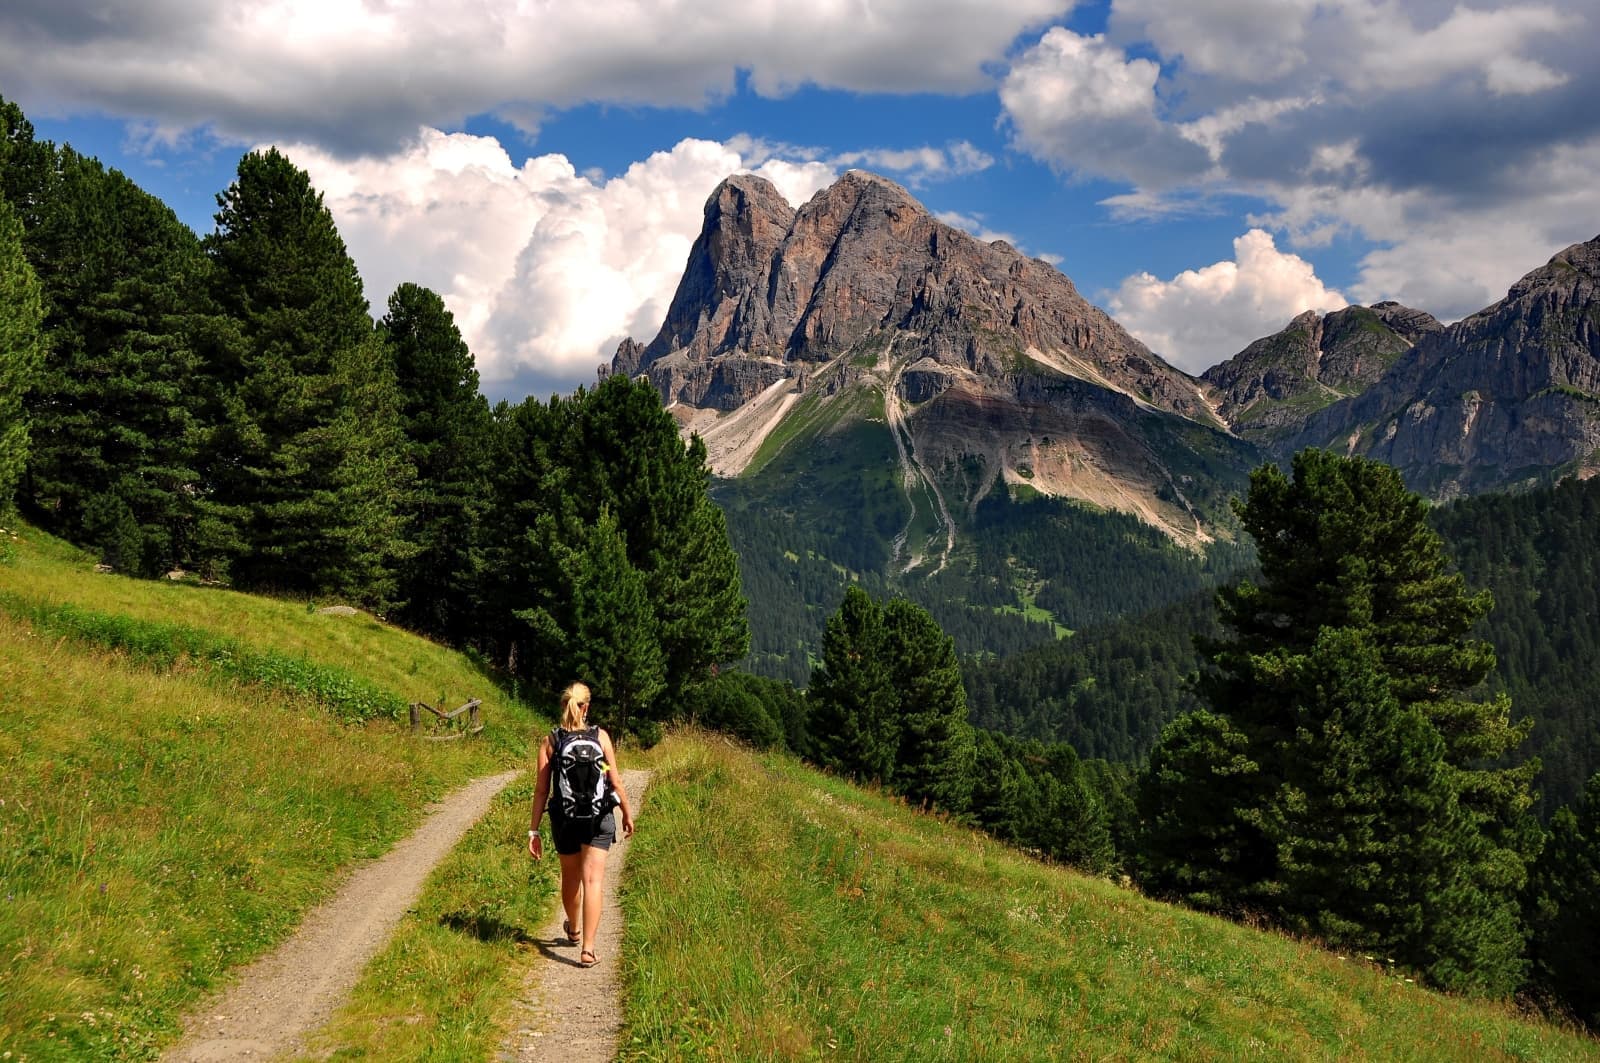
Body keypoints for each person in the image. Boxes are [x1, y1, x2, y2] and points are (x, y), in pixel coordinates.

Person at [527, 682, 635, 968]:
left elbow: (541, 791)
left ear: (564, 705)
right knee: (593, 881)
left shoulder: (551, 742)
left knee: (571, 877)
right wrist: (626, 811)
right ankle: (588, 950)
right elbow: (613, 777)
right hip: (599, 818)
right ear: (586, 707)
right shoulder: (601, 738)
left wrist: (534, 830)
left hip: (565, 819)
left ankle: (573, 928)